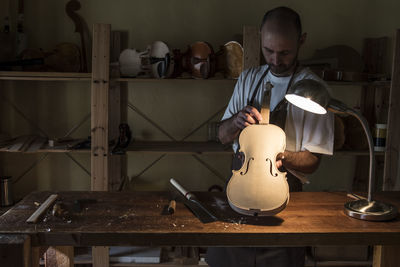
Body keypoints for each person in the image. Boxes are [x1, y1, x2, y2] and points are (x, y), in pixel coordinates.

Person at [205, 6, 334, 267]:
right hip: (239, 189)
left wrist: (280, 158)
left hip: (286, 198)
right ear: (261, 39)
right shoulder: (248, 79)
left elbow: (314, 161)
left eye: (284, 52)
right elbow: (220, 135)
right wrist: (235, 121)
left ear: (301, 41)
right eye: (269, 51)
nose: (275, 60)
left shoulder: (314, 91)